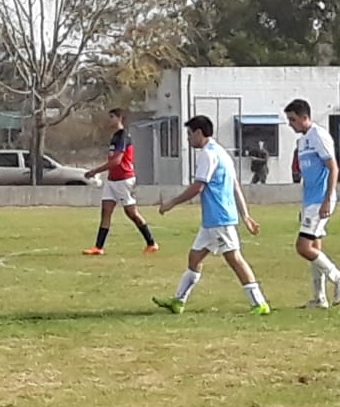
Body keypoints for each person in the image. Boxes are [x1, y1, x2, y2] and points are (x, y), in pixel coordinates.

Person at [152, 115, 270, 315]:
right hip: (212, 220)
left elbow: (198, 186)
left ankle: (259, 303)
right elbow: (235, 186)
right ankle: (178, 301)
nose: (188, 139)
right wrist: (245, 215)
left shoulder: (208, 155)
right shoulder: (221, 153)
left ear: (199, 133)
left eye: (189, 134)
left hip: (219, 218)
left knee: (234, 259)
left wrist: (172, 203)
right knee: (194, 258)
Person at [284, 98, 340, 309]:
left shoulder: (319, 136)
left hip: (321, 200)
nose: (290, 124)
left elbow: (333, 167)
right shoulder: (302, 142)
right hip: (310, 202)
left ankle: (339, 277)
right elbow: (307, 176)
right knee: (314, 247)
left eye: (293, 119)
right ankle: (319, 298)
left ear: (305, 117)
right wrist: (304, 207)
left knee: (303, 247)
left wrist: (327, 199)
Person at [82, 108, 159, 255]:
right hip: (112, 180)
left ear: (119, 118)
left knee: (131, 213)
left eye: (112, 117)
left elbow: (117, 161)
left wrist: (95, 171)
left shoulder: (123, 135)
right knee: (106, 211)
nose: (109, 120)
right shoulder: (115, 136)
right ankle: (98, 247)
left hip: (123, 179)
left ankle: (151, 243)